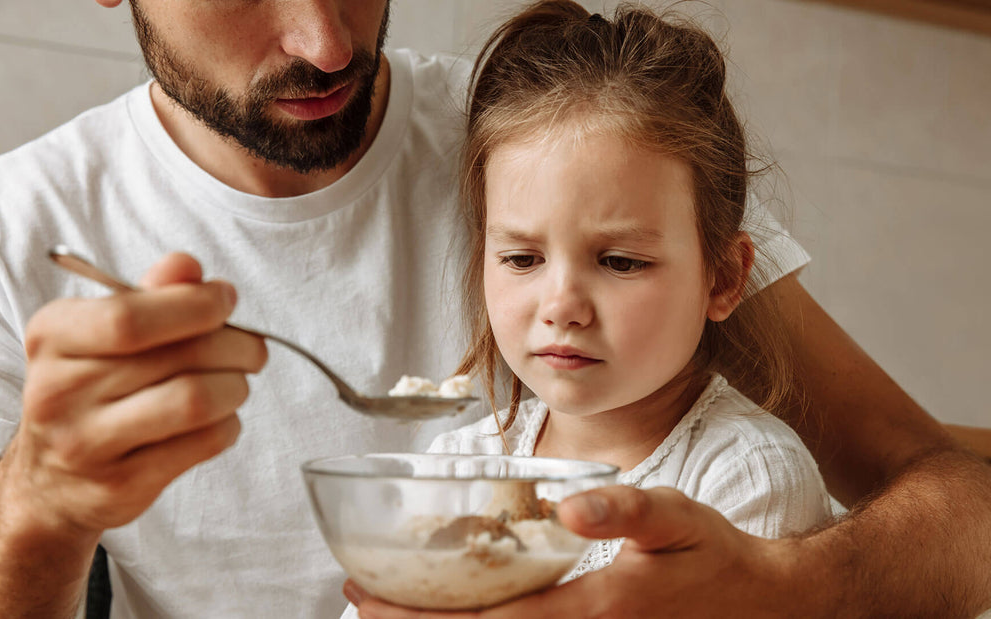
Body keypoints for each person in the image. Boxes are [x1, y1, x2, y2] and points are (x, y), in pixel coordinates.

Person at [0, 0, 991, 617]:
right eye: (514, 255)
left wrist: (787, 587)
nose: (327, 42)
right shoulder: (3, 227)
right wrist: (35, 510)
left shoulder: (549, 131)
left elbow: (986, 529)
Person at [339, 4, 835, 616]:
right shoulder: (458, 469)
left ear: (724, 277)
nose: (562, 307)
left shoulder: (747, 477)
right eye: (522, 259)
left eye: (621, 262)